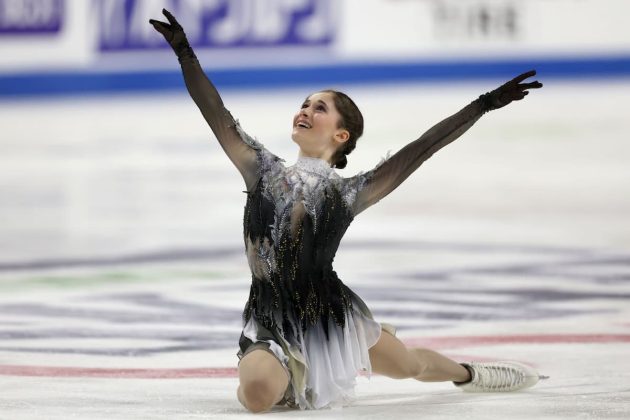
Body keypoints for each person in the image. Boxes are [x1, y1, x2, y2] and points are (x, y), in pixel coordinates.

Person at [149, 9, 545, 413]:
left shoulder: (349, 194)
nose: (305, 110)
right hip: (270, 315)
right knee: (256, 397)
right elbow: (216, 114)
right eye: (304, 104)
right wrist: (185, 53)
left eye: (319, 108)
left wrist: (482, 105)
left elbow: (421, 149)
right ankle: (280, 376)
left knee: (409, 364)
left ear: (341, 135)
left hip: (330, 318)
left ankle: (470, 374)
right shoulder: (260, 170)